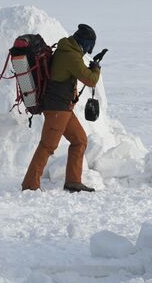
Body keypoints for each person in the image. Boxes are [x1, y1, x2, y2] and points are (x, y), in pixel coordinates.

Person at [22, 23, 101, 192]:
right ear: (86, 43)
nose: (89, 50)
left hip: (64, 108)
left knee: (79, 141)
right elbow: (90, 80)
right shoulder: (70, 55)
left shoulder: (67, 50)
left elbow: (78, 72)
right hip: (57, 109)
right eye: (89, 46)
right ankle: (30, 185)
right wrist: (96, 69)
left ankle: (73, 181)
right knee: (47, 146)